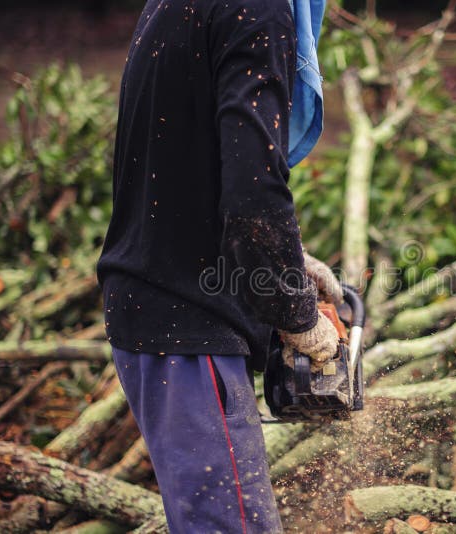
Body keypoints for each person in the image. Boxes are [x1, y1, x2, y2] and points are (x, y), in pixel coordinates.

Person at [96, 0, 335, 531]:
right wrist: (294, 309)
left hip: (154, 310)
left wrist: (288, 260)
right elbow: (253, 192)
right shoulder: (259, 9)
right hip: (187, 325)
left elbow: (183, 155)